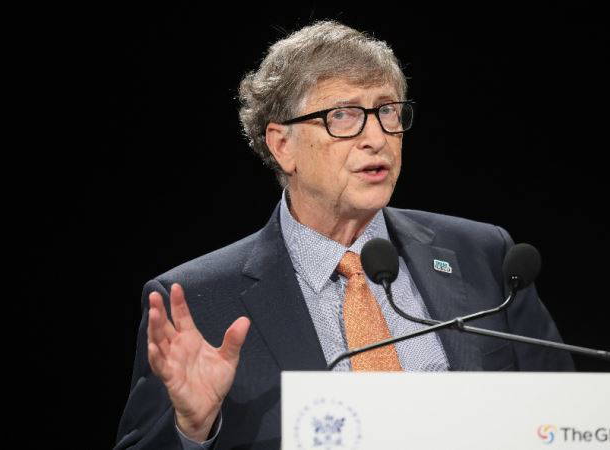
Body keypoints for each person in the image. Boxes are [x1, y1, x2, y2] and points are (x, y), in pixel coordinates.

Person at [115, 20, 573, 450]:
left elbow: (567, 415)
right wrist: (192, 428)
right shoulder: (199, 301)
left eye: (387, 111)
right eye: (343, 115)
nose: (376, 137)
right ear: (282, 145)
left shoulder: (484, 256)